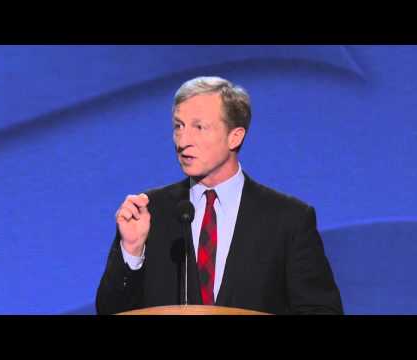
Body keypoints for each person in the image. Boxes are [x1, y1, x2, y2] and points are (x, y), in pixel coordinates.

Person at [96, 76, 343, 315]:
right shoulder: (149, 212)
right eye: (178, 126)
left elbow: (321, 310)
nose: (183, 141)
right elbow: (110, 311)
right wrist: (132, 249)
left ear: (234, 137)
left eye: (199, 127)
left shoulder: (289, 220)